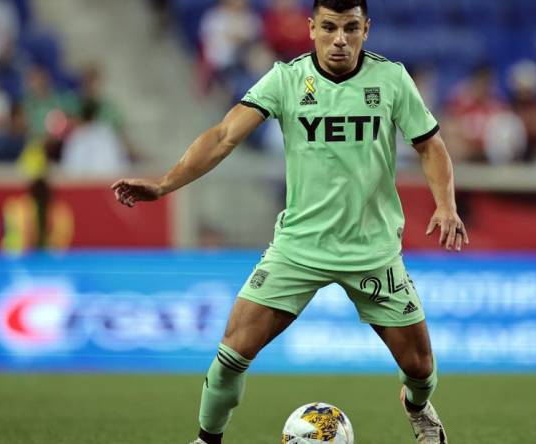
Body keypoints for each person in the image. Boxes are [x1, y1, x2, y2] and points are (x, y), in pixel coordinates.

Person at [112, 1, 467, 443]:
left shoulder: (391, 79)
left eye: (351, 28)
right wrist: (165, 184)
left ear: (366, 30)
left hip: (373, 251)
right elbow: (224, 136)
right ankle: (206, 440)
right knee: (232, 351)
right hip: (299, 247)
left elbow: (431, 146)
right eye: (330, 27)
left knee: (420, 367)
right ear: (312, 28)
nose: (340, 38)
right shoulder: (286, 80)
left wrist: (445, 205)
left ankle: (416, 407)